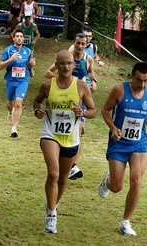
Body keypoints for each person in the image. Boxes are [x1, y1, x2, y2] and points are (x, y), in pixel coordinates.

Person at [33, 50, 97, 233]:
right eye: (62, 63)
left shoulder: (81, 87)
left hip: (71, 138)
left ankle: (52, 203)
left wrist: (83, 113)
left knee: (62, 178)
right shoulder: (47, 85)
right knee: (53, 174)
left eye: (69, 63)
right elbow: (36, 102)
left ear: (73, 65)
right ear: (57, 65)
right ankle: (51, 214)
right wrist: (38, 111)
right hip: (50, 134)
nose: (66, 67)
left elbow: (93, 111)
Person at [98, 62, 147, 236]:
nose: (142, 84)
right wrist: (113, 128)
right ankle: (108, 181)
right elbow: (105, 110)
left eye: (146, 81)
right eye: (138, 80)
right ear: (132, 76)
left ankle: (125, 222)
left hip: (139, 143)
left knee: (136, 179)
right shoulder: (119, 90)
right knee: (117, 187)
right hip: (119, 142)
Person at [46, 33, 96, 180]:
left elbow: (91, 73)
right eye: (78, 43)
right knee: (63, 131)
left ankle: (73, 166)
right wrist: (64, 79)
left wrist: (93, 83)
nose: (80, 46)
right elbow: (47, 73)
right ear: (73, 42)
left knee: (78, 131)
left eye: (83, 44)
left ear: (87, 45)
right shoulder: (66, 59)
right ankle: (62, 160)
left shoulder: (88, 59)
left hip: (80, 102)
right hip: (63, 100)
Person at [0, 29, 35, 138]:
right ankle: (10, 112)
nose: (19, 38)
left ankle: (14, 128)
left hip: (23, 80)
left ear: (23, 39)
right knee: (10, 103)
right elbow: (0, 67)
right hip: (11, 79)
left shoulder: (27, 51)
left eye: (21, 36)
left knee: (18, 103)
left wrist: (32, 64)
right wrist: (10, 59)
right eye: (17, 36)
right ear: (13, 38)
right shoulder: (8, 50)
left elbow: (29, 64)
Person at [13, 11, 40, 77]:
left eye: (29, 17)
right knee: (20, 60)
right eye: (26, 17)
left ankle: (30, 69)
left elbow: (38, 34)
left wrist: (34, 40)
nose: (27, 19)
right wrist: (15, 41)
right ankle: (20, 74)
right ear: (24, 17)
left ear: (31, 18)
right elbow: (13, 33)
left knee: (30, 62)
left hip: (30, 47)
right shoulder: (20, 25)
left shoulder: (34, 26)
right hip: (21, 46)